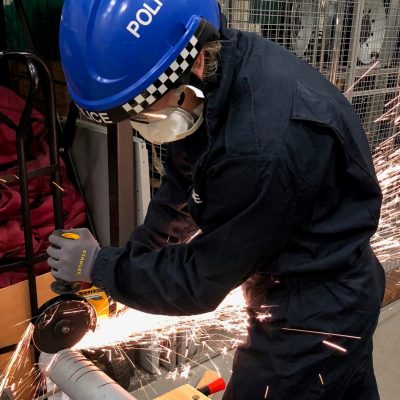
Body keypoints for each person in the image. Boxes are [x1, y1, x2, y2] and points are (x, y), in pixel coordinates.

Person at [47, 1, 385, 399]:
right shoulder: (218, 74)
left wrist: (100, 265)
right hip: (323, 281)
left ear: (193, 68)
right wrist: (131, 262)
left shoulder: (260, 149)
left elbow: (200, 282)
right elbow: (182, 181)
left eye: (142, 112)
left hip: (314, 314)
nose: (140, 126)